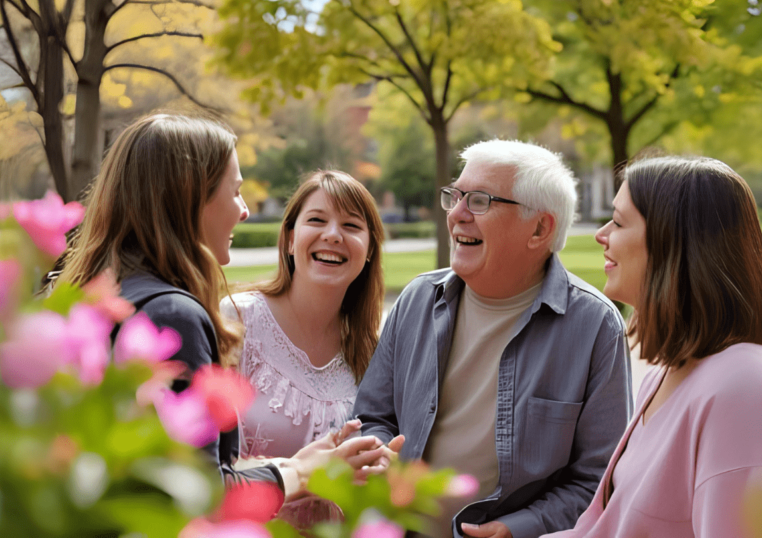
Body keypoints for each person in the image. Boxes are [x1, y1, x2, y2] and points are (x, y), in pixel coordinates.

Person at [57, 112, 386, 500]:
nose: (244, 210)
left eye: (351, 226)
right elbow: (196, 491)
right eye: (235, 191)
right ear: (189, 197)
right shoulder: (173, 314)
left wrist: (293, 466)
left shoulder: (108, 294)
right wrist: (300, 474)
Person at [353, 139, 634, 538]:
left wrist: (518, 528)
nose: (458, 215)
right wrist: (378, 454)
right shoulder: (417, 300)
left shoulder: (595, 326)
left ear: (539, 228)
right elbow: (372, 416)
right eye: (455, 196)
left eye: (480, 201)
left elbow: (599, 480)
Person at [543, 156, 762, 538]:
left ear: (672, 243)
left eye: (619, 221)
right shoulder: (669, 372)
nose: (602, 234)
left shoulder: (743, 394)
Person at [221, 169, 389, 528]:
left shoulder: (375, 348)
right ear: (289, 238)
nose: (332, 235)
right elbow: (207, 466)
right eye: (317, 220)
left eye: (351, 225)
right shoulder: (236, 320)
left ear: (370, 249)